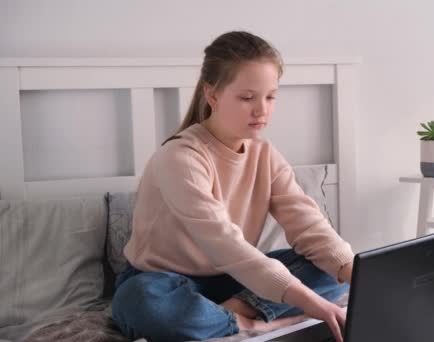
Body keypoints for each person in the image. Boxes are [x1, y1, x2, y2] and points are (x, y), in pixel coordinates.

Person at [111, 31, 355, 342]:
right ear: (212, 95)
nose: (261, 111)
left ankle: (227, 313)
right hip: (162, 281)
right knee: (144, 304)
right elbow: (227, 246)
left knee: (330, 270)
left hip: (233, 279)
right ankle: (252, 323)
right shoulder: (179, 158)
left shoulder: (265, 155)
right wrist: (315, 304)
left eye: (270, 96)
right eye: (247, 97)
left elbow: (308, 226)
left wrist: (357, 275)